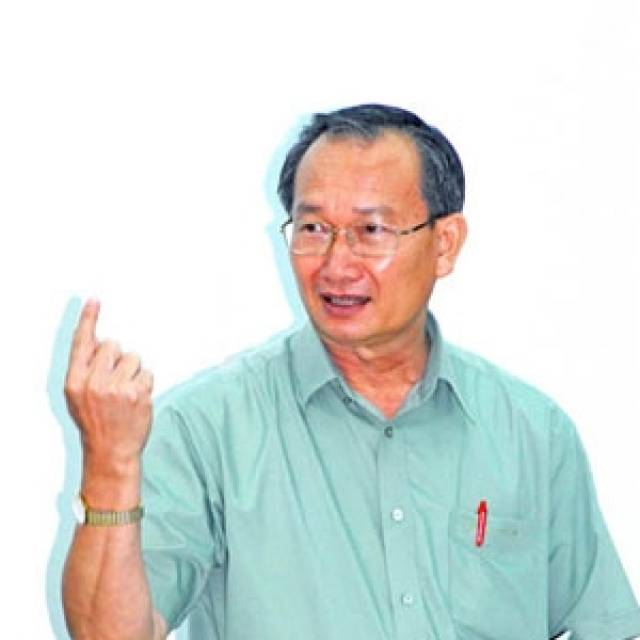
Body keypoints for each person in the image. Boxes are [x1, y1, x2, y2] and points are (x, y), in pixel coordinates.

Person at [62, 104, 640, 640]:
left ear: (445, 243)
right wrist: (110, 467)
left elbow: (605, 626)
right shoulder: (208, 429)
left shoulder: (532, 432)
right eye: (313, 229)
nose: (337, 265)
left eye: (371, 231)